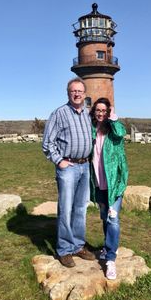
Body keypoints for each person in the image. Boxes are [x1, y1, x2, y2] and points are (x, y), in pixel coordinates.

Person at [42, 77, 95, 268]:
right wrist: (59, 161)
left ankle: (78, 245)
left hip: (85, 166)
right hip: (68, 167)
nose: (77, 94)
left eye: (80, 91)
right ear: (68, 93)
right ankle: (64, 249)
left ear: (85, 93)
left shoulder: (87, 114)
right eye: (74, 91)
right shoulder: (59, 114)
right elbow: (47, 143)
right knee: (65, 208)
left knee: (81, 208)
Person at [89, 97, 128, 280]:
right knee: (104, 217)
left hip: (114, 183)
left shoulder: (114, 128)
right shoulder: (91, 129)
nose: (101, 113)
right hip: (98, 183)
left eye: (104, 111)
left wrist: (113, 119)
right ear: (94, 111)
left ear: (109, 112)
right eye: (98, 110)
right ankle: (108, 246)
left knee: (113, 218)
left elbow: (122, 133)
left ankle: (111, 259)